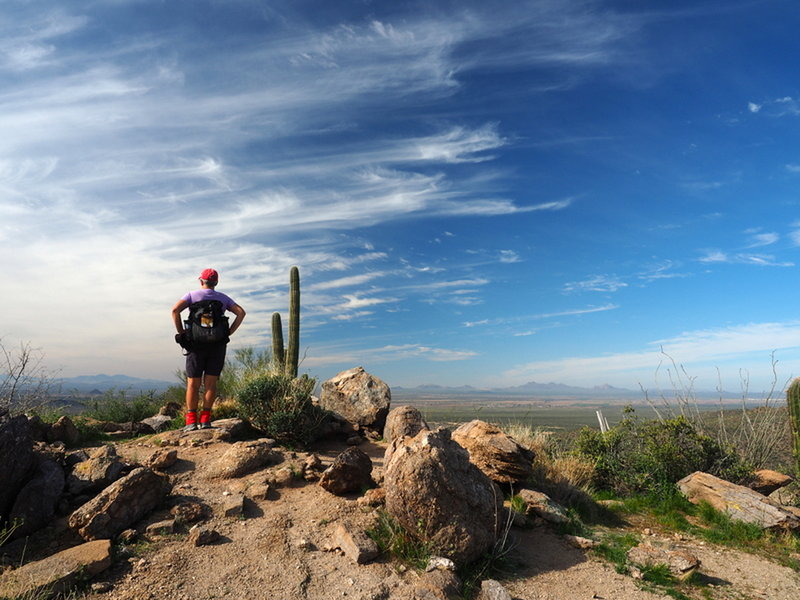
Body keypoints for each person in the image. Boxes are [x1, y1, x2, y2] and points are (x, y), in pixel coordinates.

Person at [171, 268, 246, 431]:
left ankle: (191, 421)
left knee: (193, 383)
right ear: (216, 283)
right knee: (211, 384)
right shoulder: (223, 298)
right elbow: (241, 313)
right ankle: (205, 419)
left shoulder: (191, 295)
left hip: (195, 345)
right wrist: (228, 332)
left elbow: (175, 310)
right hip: (217, 345)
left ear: (201, 281)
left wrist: (182, 334)